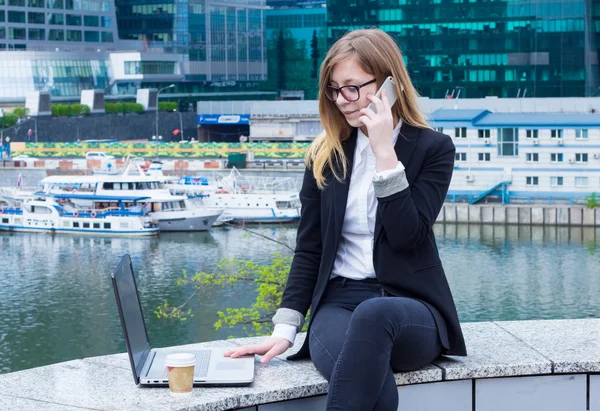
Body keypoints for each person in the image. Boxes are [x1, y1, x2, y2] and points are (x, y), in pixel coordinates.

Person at [225, 28, 467, 410]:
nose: (342, 100)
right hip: (338, 304)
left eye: (353, 87)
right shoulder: (326, 154)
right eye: (334, 89)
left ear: (389, 84)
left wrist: (384, 151)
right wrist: (285, 329)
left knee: (375, 315)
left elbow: (408, 237)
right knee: (367, 380)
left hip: (411, 308)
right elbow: (309, 249)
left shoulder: (433, 148)